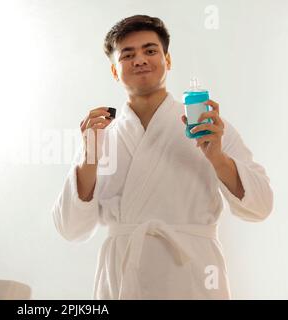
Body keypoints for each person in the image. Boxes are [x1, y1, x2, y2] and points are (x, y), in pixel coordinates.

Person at [52, 14, 273, 299]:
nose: (140, 60)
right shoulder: (100, 137)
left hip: (193, 277)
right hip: (122, 278)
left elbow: (262, 205)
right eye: (127, 55)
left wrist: (217, 158)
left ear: (167, 61)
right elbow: (70, 229)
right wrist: (89, 159)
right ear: (114, 71)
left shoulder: (209, 126)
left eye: (150, 50)